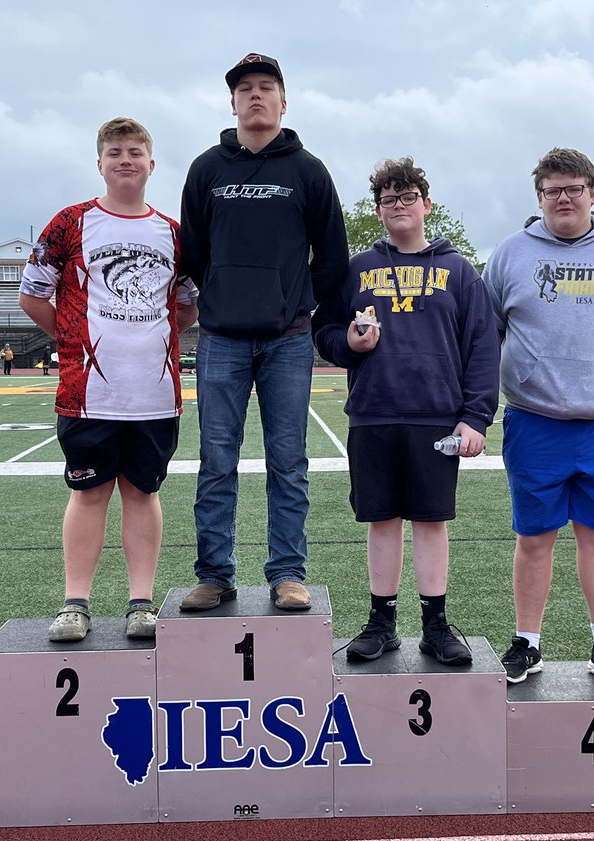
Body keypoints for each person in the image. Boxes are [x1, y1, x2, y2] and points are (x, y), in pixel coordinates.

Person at [178, 53, 349, 612]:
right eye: (245, 88)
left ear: (283, 101)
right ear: (232, 102)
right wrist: (226, 296)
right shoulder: (207, 169)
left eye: (266, 87)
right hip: (222, 337)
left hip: (288, 339)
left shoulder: (308, 171)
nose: (255, 96)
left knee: (288, 460)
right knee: (217, 458)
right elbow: (194, 253)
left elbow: (331, 256)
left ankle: (287, 573)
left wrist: (298, 305)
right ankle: (214, 574)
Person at [483, 147, 594, 688]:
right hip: (535, 421)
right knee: (534, 537)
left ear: (593, 193)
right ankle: (526, 643)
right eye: (552, 190)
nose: (563, 198)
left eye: (573, 188)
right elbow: (489, 329)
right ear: (539, 199)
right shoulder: (510, 254)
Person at [312, 157, 499, 665]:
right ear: (379, 211)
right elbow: (324, 330)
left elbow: (483, 345)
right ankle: (382, 621)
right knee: (382, 520)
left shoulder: (458, 270)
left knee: (432, 521)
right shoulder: (359, 269)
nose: (399, 206)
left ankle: (435, 625)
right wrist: (348, 343)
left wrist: (476, 416)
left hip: (437, 415)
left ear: (426, 204)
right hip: (374, 413)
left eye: (408, 197)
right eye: (389, 199)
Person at [20, 116, 198, 641]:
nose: (125, 160)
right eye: (115, 151)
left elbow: (186, 308)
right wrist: (72, 339)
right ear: (99, 162)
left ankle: (141, 601)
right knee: (89, 493)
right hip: (87, 394)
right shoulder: (70, 222)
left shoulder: (173, 233)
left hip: (153, 395)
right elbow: (32, 295)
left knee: (142, 492)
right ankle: (76, 602)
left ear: (151, 163)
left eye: (135, 152)